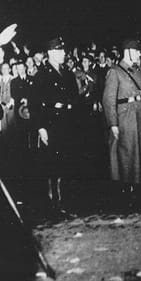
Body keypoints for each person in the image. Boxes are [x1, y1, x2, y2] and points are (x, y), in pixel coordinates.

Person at [33, 36, 81, 211]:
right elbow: (35, 104)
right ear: (51, 52)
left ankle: (66, 198)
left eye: (63, 50)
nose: (63, 53)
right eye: (60, 50)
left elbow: (75, 96)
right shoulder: (42, 75)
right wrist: (41, 127)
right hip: (51, 121)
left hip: (67, 120)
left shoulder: (67, 73)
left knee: (67, 159)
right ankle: (55, 201)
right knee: (53, 162)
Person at [103, 38, 141, 202]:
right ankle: (127, 188)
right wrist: (113, 124)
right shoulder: (115, 72)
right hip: (125, 116)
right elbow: (108, 100)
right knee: (128, 152)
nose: (139, 54)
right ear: (128, 52)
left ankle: (140, 187)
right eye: (136, 51)